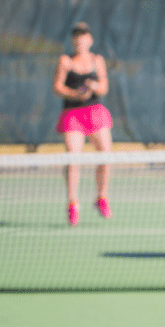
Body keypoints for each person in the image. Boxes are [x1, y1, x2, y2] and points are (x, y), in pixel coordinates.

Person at [53, 22, 113, 226]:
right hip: (73, 115)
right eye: (76, 36)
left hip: (95, 113)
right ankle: (72, 203)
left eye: (84, 36)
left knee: (106, 155)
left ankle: (101, 198)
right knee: (73, 159)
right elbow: (57, 87)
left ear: (90, 40)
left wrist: (94, 86)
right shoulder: (65, 61)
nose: (80, 39)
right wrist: (74, 94)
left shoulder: (97, 60)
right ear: (73, 40)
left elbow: (104, 87)